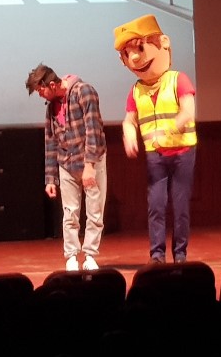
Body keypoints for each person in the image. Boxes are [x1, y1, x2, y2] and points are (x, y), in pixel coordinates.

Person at [113, 14, 197, 264]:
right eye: (128, 54)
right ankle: (157, 255)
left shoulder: (178, 79)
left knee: (180, 207)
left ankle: (180, 254)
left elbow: (188, 112)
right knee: (156, 206)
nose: (135, 58)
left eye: (139, 49)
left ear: (163, 44)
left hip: (182, 152)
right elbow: (129, 120)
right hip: (155, 156)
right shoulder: (136, 90)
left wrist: (167, 131)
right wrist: (129, 135)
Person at [26, 63, 108, 271]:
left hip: (91, 161)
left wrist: (89, 165)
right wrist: (50, 178)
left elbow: (93, 130)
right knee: (70, 213)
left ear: (52, 85)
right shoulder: (51, 107)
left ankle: (90, 255)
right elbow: (51, 141)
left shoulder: (84, 92)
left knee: (94, 211)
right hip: (66, 163)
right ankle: (71, 256)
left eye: (40, 90)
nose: (40, 95)